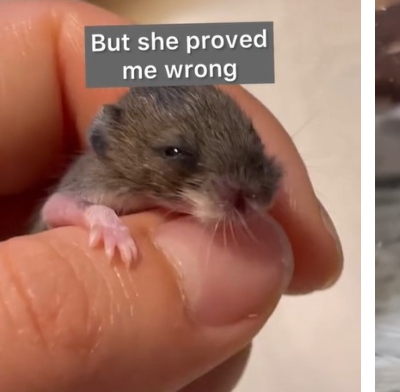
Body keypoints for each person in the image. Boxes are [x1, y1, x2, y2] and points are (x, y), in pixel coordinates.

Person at [0, 1, 343, 391]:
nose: (246, 193)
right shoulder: (102, 177)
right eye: (178, 156)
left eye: (250, 148)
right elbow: (56, 208)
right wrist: (97, 217)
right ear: (109, 142)